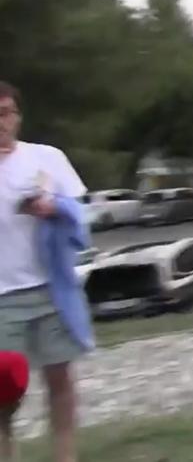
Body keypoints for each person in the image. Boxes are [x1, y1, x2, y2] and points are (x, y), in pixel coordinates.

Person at [0, 81, 92, 462]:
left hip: (52, 290)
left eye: (5, 113)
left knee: (60, 381)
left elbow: (82, 217)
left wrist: (53, 208)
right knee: (4, 396)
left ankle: (65, 458)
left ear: (18, 117)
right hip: (2, 298)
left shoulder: (46, 158)